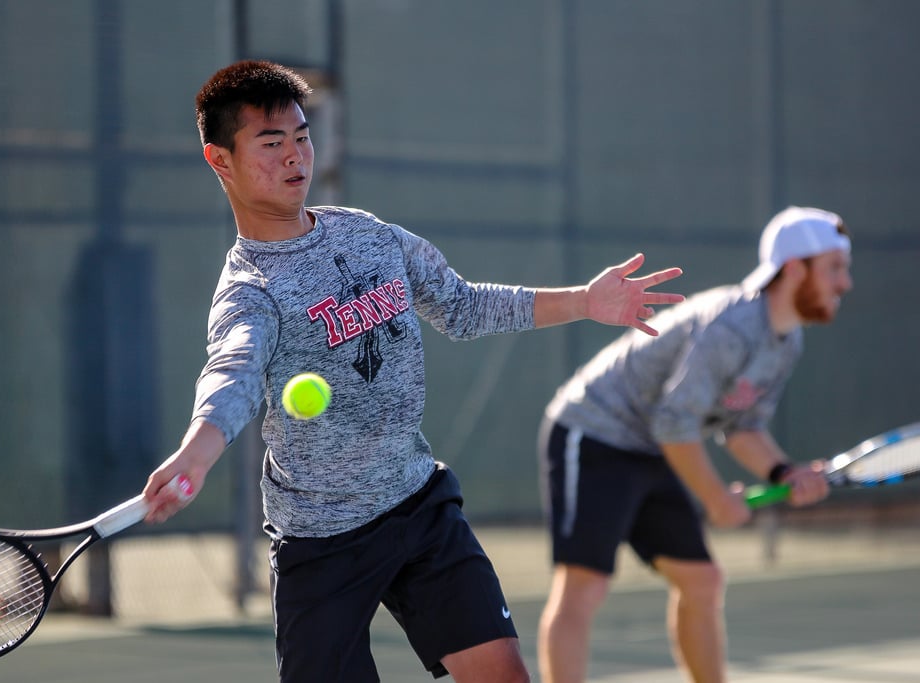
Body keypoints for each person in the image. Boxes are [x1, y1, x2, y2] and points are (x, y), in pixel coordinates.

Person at [141, 59, 684, 683]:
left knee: (504, 676)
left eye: (301, 137)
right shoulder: (250, 290)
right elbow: (232, 373)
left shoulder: (370, 236)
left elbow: (462, 304)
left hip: (418, 505)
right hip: (321, 541)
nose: (295, 157)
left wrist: (586, 303)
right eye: (271, 143)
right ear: (220, 160)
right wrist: (196, 451)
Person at [536, 206, 853, 683]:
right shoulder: (732, 325)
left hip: (654, 444)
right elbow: (675, 422)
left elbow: (742, 426)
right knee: (585, 586)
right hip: (593, 431)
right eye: (834, 268)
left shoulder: (786, 340)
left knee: (702, 582)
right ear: (795, 269)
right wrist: (716, 500)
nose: (844, 283)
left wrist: (785, 473)